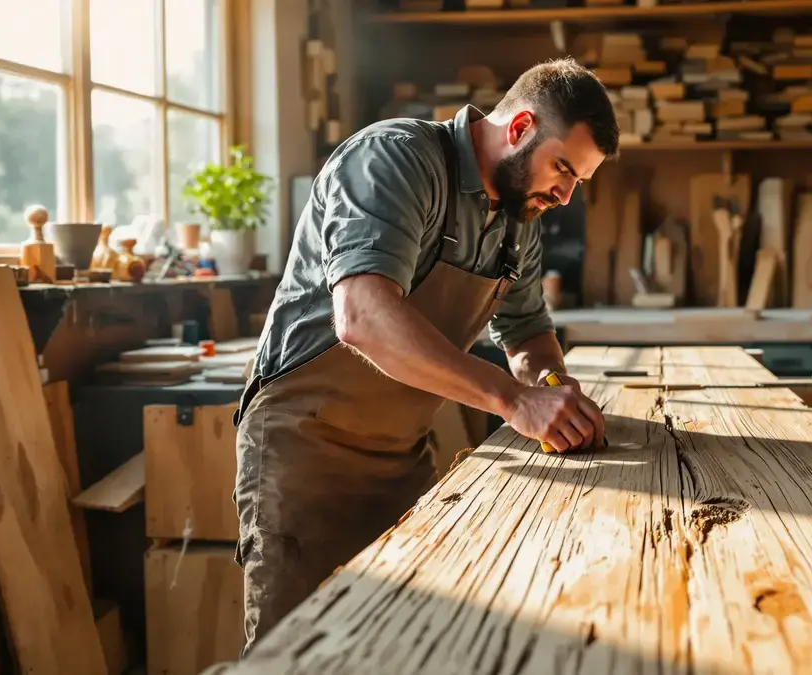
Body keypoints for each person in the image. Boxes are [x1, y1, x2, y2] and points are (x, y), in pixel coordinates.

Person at [231, 57, 620, 653]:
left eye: (578, 183)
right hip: (302, 454)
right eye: (563, 168)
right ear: (519, 129)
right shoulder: (397, 160)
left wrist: (550, 387)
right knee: (296, 654)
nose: (565, 195)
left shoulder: (520, 217)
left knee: (403, 649)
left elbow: (525, 332)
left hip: (403, 454)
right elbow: (362, 316)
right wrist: (514, 400)